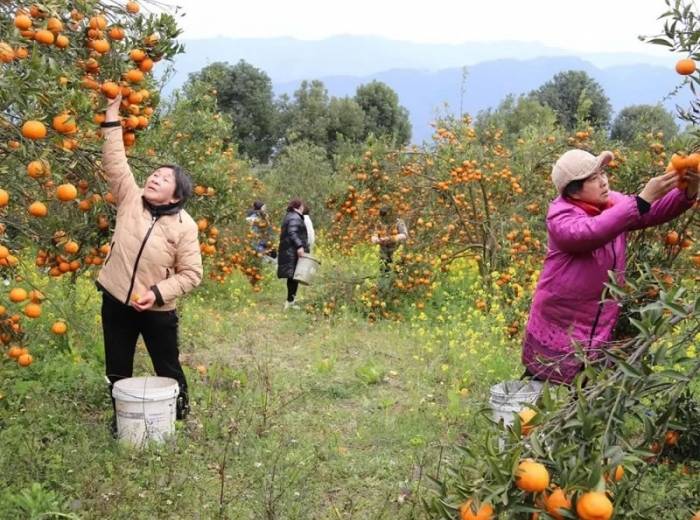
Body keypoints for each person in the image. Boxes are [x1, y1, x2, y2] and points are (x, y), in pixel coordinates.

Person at [522, 149, 698, 384]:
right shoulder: (561, 216)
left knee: (586, 390)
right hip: (561, 318)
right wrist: (641, 200)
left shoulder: (611, 203)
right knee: (542, 384)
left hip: (597, 320)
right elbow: (591, 231)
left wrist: (689, 190)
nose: (603, 181)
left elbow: (650, 212)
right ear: (573, 190)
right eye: (593, 178)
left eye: (602, 173)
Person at [98, 94, 203, 428]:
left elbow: (191, 274)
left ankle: (180, 415)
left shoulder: (185, 227)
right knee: (117, 365)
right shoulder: (131, 199)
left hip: (156, 310)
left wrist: (157, 293)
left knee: (167, 365)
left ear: (176, 196)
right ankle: (122, 422)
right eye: (155, 174)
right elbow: (115, 160)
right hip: (116, 300)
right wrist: (112, 115)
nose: (155, 178)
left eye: (164, 178)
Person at [277, 199, 308, 310]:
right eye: (302, 206)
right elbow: (292, 232)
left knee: (293, 277)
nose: (303, 208)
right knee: (293, 277)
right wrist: (300, 246)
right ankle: (290, 302)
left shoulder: (290, 216)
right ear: (298, 207)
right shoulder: (294, 217)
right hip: (292, 252)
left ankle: (291, 301)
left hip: (289, 251)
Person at [371, 205, 408, 271]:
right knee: (384, 272)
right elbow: (374, 235)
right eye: (383, 217)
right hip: (384, 253)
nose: (384, 219)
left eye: (385, 217)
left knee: (398, 273)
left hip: (397, 251)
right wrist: (376, 240)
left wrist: (392, 238)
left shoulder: (399, 222)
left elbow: (404, 235)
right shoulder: (380, 223)